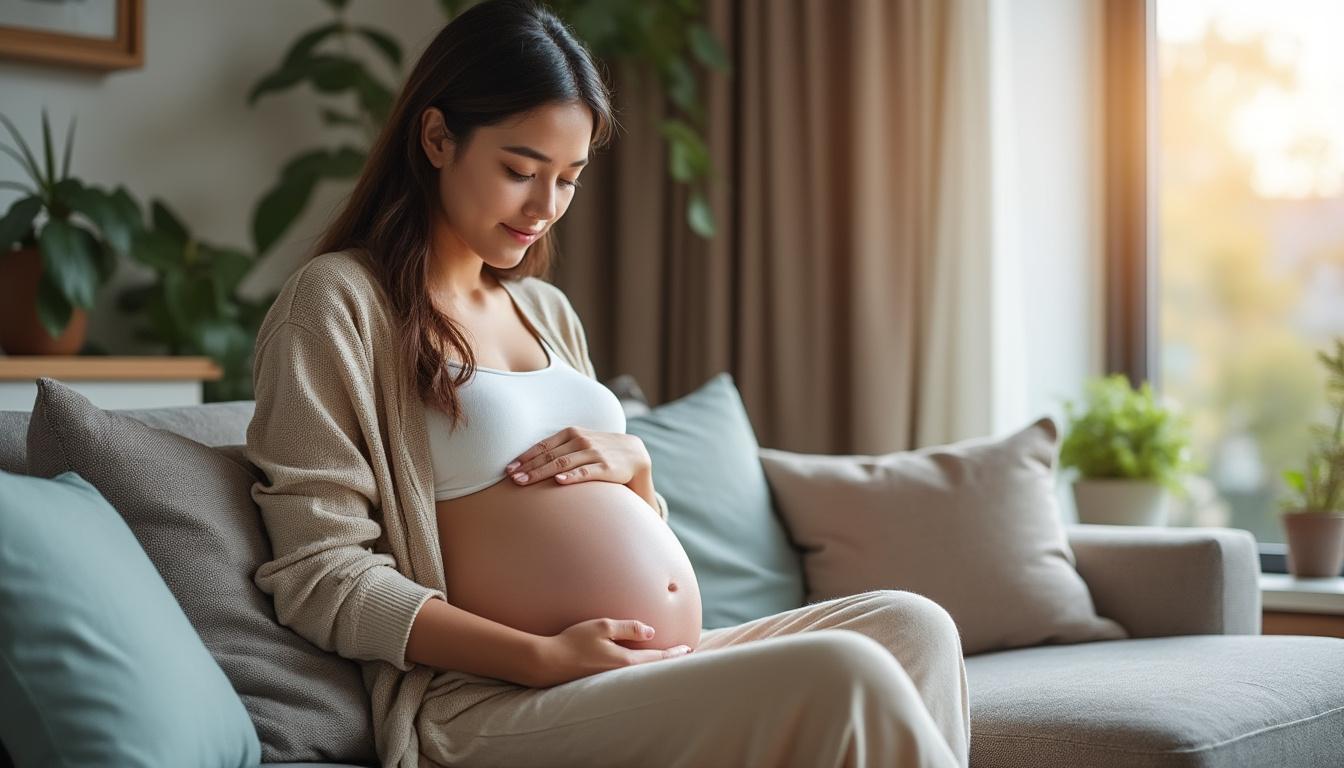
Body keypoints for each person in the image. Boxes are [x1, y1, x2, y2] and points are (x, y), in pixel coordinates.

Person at [243, 1, 971, 765]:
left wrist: (638, 470)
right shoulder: (338, 304)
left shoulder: (546, 310)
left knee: (913, 625)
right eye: (520, 171)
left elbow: (625, 522)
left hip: (639, 667)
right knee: (842, 671)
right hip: (492, 698)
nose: (544, 208)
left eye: (568, 179)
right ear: (436, 137)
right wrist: (539, 656)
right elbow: (318, 572)